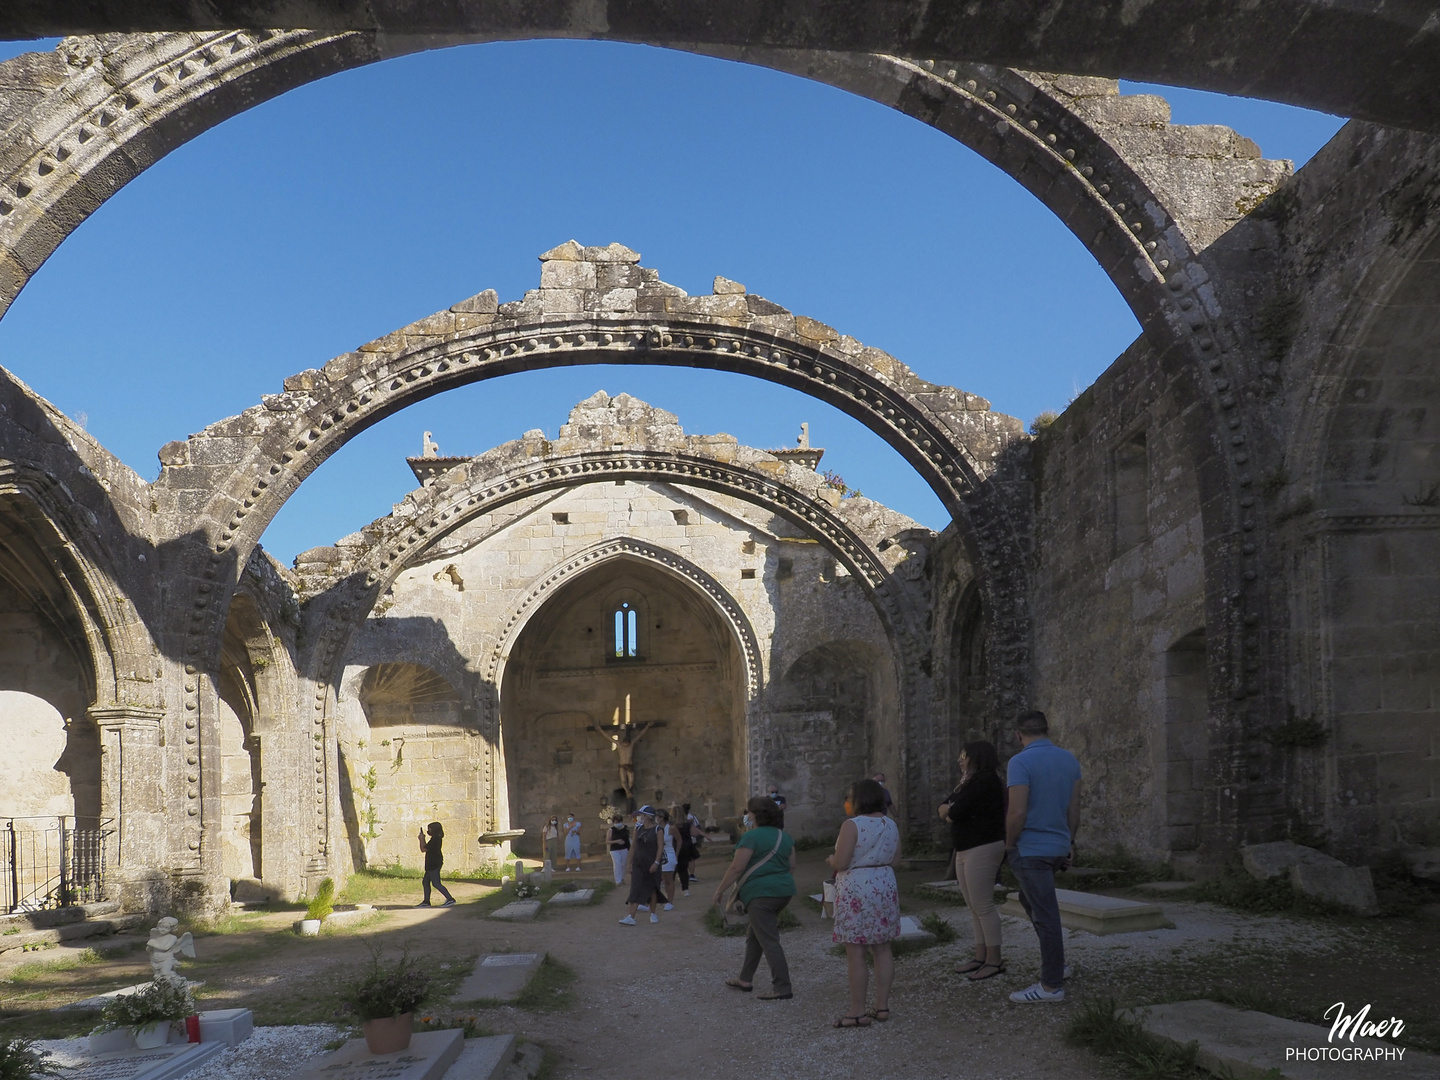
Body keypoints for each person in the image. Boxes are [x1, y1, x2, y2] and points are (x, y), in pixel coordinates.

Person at [1005, 710, 1082, 1003]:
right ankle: (1057, 963)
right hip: (1057, 846)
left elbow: (1018, 811)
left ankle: (1051, 985)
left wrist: (1010, 843)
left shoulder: (1020, 761)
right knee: (1031, 901)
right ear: (1048, 730)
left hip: (1031, 848)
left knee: (1046, 914)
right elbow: (1074, 809)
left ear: (1018, 734)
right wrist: (1069, 841)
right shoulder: (1069, 760)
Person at [827, 779, 901, 1027]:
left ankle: (857, 1010)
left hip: (858, 887)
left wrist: (831, 859)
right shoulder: (891, 824)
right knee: (882, 948)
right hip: (884, 883)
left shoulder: (852, 825)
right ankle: (882, 1005)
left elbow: (842, 862)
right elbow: (896, 859)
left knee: (856, 952)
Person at [712, 795, 797, 1001]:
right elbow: (791, 866)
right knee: (755, 935)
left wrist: (720, 890)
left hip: (760, 895)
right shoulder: (783, 837)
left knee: (769, 940)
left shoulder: (751, 837)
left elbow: (737, 868)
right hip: (783, 892)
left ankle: (782, 987)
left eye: (748, 812)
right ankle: (745, 978)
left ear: (756, 815)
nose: (746, 815)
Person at [939, 740, 1007, 981]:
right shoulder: (966, 783)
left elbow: (953, 811)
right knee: (973, 906)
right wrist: (950, 811)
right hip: (965, 848)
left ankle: (994, 960)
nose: (960, 760)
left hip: (983, 847)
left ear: (977, 757)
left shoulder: (985, 780)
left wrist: (950, 812)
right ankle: (981, 955)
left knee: (984, 905)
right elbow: (943, 807)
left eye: (964, 755)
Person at [620, 806, 665, 925]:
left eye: (642, 815)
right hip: (638, 863)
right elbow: (633, 846)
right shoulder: (638, 829)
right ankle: (631, 916)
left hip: (652, 863)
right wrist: (629, 863)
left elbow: (660, 847)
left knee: (652, 888)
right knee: (635, 888)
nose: (639, 817)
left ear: (647, 816)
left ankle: (653, 913)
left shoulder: (658, 830)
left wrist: (656, 862)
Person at [416, 822, 456, 908]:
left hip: (434, 863)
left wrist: (421, 839)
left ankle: (450, 899)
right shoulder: (435, 838)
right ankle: (426, 901)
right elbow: (427, 848)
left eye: (430, 829)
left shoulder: (436, 839)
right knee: (425, 882)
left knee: (436, 883)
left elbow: (423, 849)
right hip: (432, 863)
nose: (428, 830)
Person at [656, 808, 680, 908]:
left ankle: (670, 901)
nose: (656, 818)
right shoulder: (655, 828)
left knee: (668, 879)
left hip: (668, 854)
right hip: (658, 855)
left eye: (658, 816)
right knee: (659, 879)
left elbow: (679, 840)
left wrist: (676, 854)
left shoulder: (671, 828)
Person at [607, 813, 630, 885]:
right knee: (617, 864)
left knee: (623, 864)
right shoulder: (611, 830)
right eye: (616, 822)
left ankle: (622, 878)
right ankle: (618, 880)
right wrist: (617, 841)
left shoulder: (625, 828)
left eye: (619, 822)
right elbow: (607, 841)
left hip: (624, 848)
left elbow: (628, 837)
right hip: (615, 849)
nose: (617, 824)